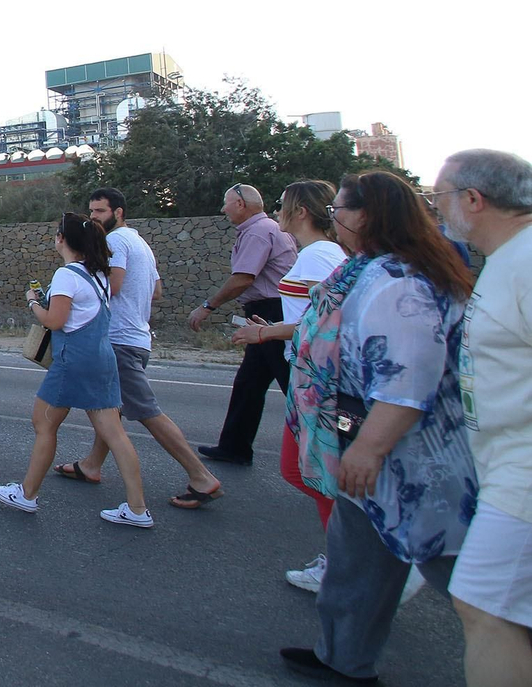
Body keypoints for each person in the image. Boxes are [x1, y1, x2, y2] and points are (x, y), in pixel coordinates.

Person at [279, 170, 477, 683]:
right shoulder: (369, 269)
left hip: (407, 455)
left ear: (367, 216)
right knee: (357, 559)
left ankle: (509, 637)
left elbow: (407, 378)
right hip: (363, 434)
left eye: (340, 210)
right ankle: (342, 658)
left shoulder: (401, 283)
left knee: (458, 572)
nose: (334, 219)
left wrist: (368, 448)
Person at [430, 149, 532, 687]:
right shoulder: (507, 258)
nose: (435, 210)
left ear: (473, 198)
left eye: (439, 197)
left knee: (483, 605)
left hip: (523, 477)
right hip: (501, 468)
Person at [54, 189, 223, 511]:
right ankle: (91, 465)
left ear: (118, 212)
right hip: (137, 337)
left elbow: (113, 286)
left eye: (100, 211)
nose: (93, 217)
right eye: (91, 211)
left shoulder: (115, 242)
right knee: (110, 408)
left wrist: (77, 285)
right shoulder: (139, 242)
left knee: (146, 411)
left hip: (119, 339)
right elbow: (156, 291)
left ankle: (201, 476)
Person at [0, 212, 152, 528]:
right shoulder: (99, 274)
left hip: (72, 361)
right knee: (115, 434)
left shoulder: (66, 275)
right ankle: (137, 508)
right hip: (102, 359)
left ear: (62, 239)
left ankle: (27, 494)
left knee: (44, 424)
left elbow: (55, 321)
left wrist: (33, 303)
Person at [224, 181, 348, 590]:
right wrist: (276, 328)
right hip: (306, 368)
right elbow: (314, 317)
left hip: (318, 376)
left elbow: (333, 321)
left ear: (300, 211)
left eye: (282, 204)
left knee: (309, 472)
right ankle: (349, 555)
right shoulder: (316, 253)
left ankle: (350, 560)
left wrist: (268, 333)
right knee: (300, 469)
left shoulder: (319, 255)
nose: (277, 210)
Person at [190, 183, 299, 466]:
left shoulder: (258, 232)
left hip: (271, 312)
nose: (223, 209)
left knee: (292, 383)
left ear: (240, 204)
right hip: (271, 310)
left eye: (226, 203)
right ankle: (234, 447)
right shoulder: (267, 229)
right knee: (249, 384)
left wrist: (207, 306)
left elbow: (243, 278)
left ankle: (324, 445)